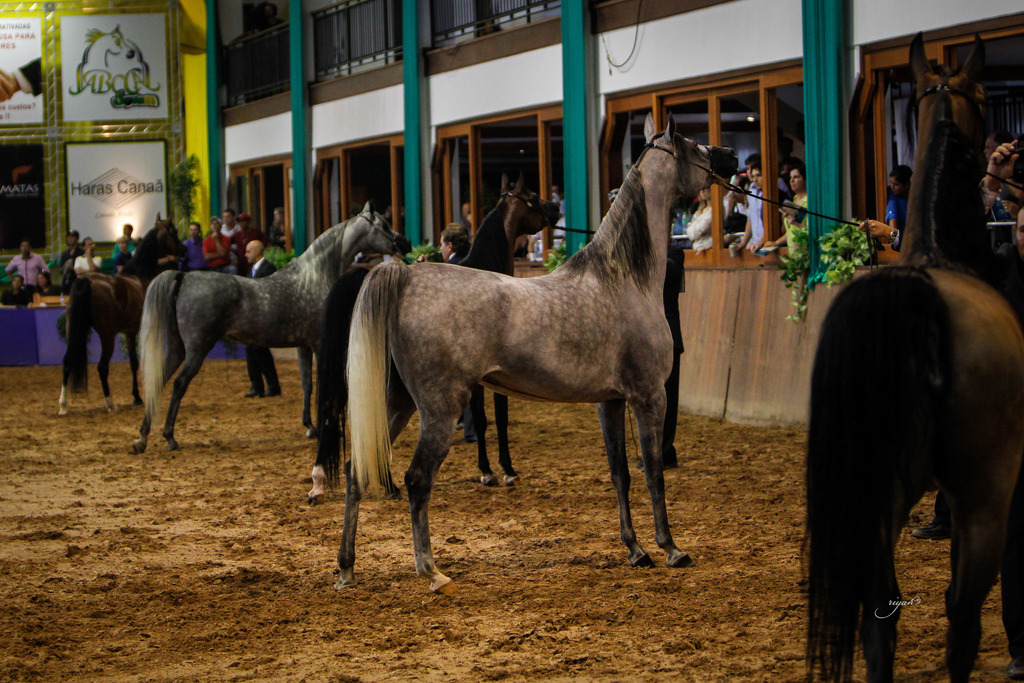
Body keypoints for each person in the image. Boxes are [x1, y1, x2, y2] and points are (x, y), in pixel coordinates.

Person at [242, 240, 280, 398]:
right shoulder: (252, 270)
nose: (245, 255)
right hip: (253, 316)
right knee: (251, 349)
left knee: (259, 349)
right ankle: (257, 385)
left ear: (257, 252)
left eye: (248, 251)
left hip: (264, 316)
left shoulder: (268, 268)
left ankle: (271, 385)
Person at [859, 165, 912, 251]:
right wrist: (888, 232)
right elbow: (893, 222)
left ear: (907, 185)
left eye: (896, 184)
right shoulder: (893, 198)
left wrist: (887, 231)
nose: (892, 187)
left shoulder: (918, 200)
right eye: (891, 183)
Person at [764, 161, 809, 252]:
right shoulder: (794, 200)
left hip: (805, 251)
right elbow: (790, 231)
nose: (791, 180)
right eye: (790, 177)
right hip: (792, 252)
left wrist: (796, 223)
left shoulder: (809, 201)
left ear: (805, 179)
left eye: (796, 177)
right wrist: (776, 242)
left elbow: (813, 230)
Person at [733, 158, 766, 254]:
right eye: (753, 176)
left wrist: (761, 242)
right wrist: (743, 243)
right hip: (755, 245)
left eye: (759, 176)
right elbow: (750, 219)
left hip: (767, 245)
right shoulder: (752, 190)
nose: (755, 179)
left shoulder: (774, 193)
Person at [685, 187, 713, 253]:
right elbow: (689, 232)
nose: (702, 191)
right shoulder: (700, 210)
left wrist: (695, 231)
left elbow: (702, 228)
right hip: (696, 247)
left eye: (705, 188)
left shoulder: (715, 209)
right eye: (700, 188)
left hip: (708, 247)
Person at [57, 230, 83, 294]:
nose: (70, 238)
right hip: (66, 282)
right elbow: (60, 270)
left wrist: (73, 268)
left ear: (77, 239)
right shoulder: (65, 253)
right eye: (68, 237)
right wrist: (64, 267)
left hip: (78, 282)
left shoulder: (81, 253)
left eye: (72, 237)